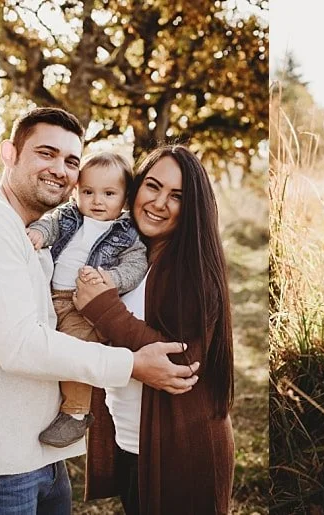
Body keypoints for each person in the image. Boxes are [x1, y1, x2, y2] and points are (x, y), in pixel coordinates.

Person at [0, 107, 199, 514]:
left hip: (39, 453)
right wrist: (130, 364)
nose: (59, 169)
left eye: (71, 160)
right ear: (9, 153)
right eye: (45, 153)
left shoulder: (37, 231)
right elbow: (19, 344)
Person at [72, 145, 235, 515]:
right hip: (134, 444)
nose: (159, 203)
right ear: (135, 188)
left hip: (180, 453)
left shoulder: (191, 269)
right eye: (153, 186)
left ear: (192, 206)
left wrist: (104, 310)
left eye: (176, 196)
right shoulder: (134, 254)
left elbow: (182, 363)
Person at [27, 151, 148, 448]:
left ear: (124, 198)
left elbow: (135, 265)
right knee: (41, 347)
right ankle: (43, 403)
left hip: (82, 305)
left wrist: (112, 280)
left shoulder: (127, 232)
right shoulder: (69, 216)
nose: (97, 201)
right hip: (49, 295)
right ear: (77, 191)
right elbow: (50, 223)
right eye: (88, 192)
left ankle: (76, 413)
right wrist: (39, 233)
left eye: (109, 194)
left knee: (75, 351)